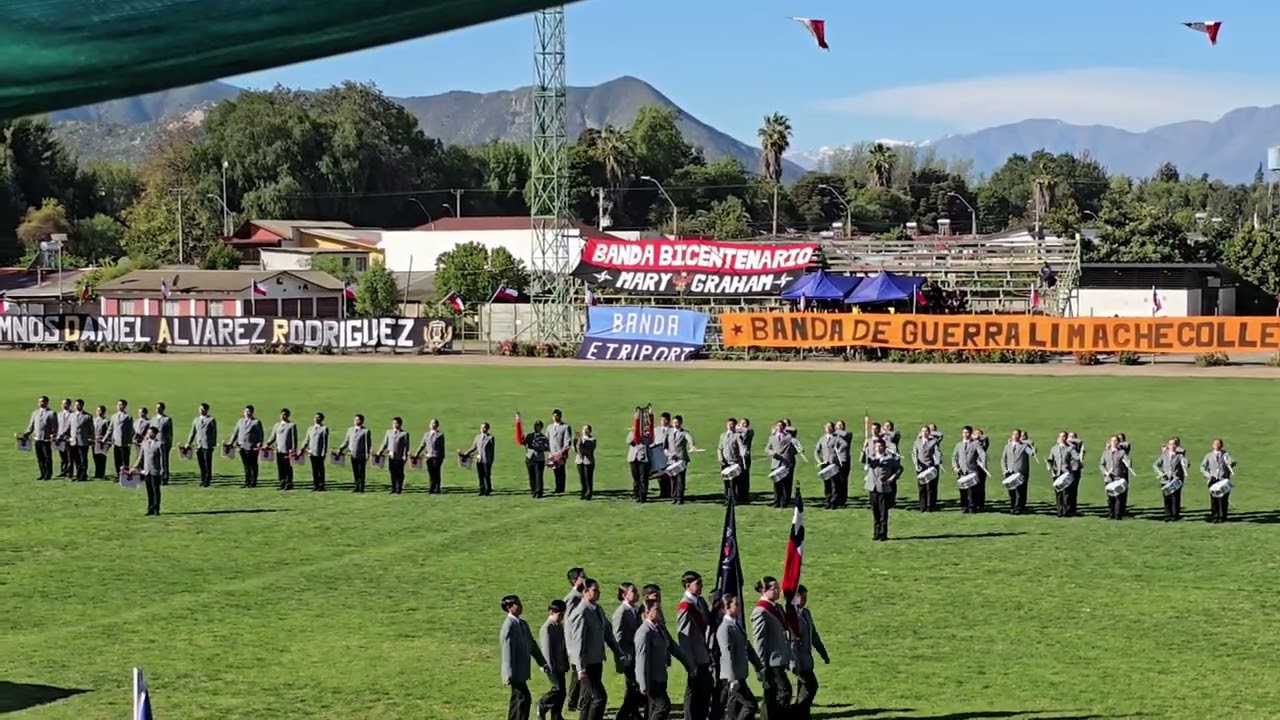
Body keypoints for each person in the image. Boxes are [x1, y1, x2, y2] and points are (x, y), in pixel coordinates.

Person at [565, 578, 627, 720]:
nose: (598, 593)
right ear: (585, 592)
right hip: (586, 663)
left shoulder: (597, 609)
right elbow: (577, 641)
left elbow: (607, 634)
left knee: (588, 699)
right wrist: (580, 668)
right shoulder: (580, 613)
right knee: (599, 697)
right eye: (595, 590)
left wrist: (618, 651)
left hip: (596, 660)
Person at [635, 599, 687, 720]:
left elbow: (671, 647)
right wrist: (643, 684)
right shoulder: (644, 632)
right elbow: (641, 659)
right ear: (647, 612)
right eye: (656, 609)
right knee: (663, 706)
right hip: (652, 679)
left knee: (654, 708)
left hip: (661, 676)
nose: (660, 612)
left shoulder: (659, 628)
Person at [499, 595, 549, 720]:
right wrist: (508, 673)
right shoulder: (508, 626)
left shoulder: (522, 624)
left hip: (522, 670)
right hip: (515, 672)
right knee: (522, 698)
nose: (521, 606)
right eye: (517, 604)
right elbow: (506, 650)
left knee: (520, 699)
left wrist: (542, 662)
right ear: (509, 607)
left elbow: (532, 645)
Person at [750, 577, 792, 720]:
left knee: (771, 695)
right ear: (764, 590)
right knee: (784, 691)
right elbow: (759, 640)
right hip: (771, 661)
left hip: (780, 658)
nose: (778, 590)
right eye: (774, 588)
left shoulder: (777, 608)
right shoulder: (761, 611)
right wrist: (760, 665)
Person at [717, 593, 764, 720]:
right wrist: (733, 679)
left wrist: (759, 666)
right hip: (733, 677)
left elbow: (747, 647)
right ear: (727, 607)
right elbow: (727, 654)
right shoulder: (724, 628)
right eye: (736, 605)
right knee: (750, 705)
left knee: (734, 711)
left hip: (739, 675)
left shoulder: (736, 625)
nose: (739, 607)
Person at [677, 571, 714, 720]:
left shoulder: (700, 602)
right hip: (695, 657)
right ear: (688, 586)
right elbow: (683, 637)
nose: (701, 587)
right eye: (698, 584)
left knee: (705, 688)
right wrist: (690, 662)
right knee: (693, 689)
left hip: (703, 653)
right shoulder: (686, 606)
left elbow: (709, 621)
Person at [790, 586, 830, 720]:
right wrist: (792, 663)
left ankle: (802, 714)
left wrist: (822, 652)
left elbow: (814, 635)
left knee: (803, 688)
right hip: (797, 660)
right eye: (802, 597)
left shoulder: (806, 613)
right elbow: (789, 642)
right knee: (811, 686)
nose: (805, 600)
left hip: (807, 659)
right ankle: (798, 712)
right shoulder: (791, 617)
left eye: (806, 597)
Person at [611, 584, 643, 720]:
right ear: (624, 595)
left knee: (634, 687)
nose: (637, 594)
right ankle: (623, 715)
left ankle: (633, 713)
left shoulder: (635, 610)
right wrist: (620, 657)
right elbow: (617, 636)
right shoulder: (621, 612)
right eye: (633, 591)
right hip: (628, 655)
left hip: (636, 654)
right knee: (633, 686)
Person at [865, 437, 901, 542]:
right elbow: (862, 459)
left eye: (880, 446)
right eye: (876, 446)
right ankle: (876, 533)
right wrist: (864, 448)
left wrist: (892, 478)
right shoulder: (871, 458)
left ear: (884, 448)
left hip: (883, 488)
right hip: (872, 487)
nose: (878, 448)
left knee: (883, 512)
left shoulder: (890, 459)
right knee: (875, 512)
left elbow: (899, 469)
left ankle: (883, 533)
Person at [539, 599, 570, 720]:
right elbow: (546, 651)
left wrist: (565, 662)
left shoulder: (558, 626)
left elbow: (563, 647)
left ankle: (556, 715)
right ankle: (543, 705)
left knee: (562, 693)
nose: (561, 617)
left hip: (560, 665)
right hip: (553, 667)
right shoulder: (547, 628)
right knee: (557, 690)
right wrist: (551, 668)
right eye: (559, 615)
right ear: (551, 612)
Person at [563, 568, 587, 713]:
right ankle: (573, 701)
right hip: (574, 642)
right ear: (574, 580)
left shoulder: (580, 595)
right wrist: (570, 644)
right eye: (582, 577)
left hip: (579, 641)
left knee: (577, 673)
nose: (586, 579)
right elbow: (568, 622)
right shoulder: (573, 597)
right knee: (577, 673)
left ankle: (575, 701)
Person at [1200, 438, 1236, 523]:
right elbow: (1202, 467)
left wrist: (1230, 462)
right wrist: (1208, 475)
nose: (1216, 445)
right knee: (1214, 499)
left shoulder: (1225, 455)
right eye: (1215, 444)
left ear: (1221, 445)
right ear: (1212, 446)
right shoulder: (1208, 455)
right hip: (1213, 480)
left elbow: (1233, 462)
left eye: (1218, 444)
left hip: (1223, 480)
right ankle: (1215, 516)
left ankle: (1222, 516)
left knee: (1223, 499)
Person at [21, 396, 57, 481]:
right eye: (39, 402)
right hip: (37, 439)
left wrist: (53, 435)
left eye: (42, 402)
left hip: (46, 439)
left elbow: (54, 427)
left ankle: (48, 474)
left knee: (47, 458)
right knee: (40, 458)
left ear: (46, 402)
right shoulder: (35, 413)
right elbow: (31, 426)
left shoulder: (51, 413)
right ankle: (42, 473)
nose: (40, 403)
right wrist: (26, 434)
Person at [1047, 432, 1082, 518]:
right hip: (1057, 473)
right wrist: (1049, 466)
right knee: (1058, 493)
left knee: (1067, 493)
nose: (1062, 438)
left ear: (1066, 438)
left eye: (1064, 437)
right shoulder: (1054, 448)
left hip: (1066, 473)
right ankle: (1060, 510)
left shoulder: (1070, 448)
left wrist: (1079, 457)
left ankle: (1066, 511)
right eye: (1061, 436)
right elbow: (1050, 459)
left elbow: (1077, 457)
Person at [952, 426, 986, 514]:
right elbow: (954, 457)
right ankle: (964, 506)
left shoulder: (975, 444)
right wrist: (955, 466)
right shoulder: (958, 445)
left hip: (972, 470)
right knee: (963, 490)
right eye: (964, 433)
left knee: (972, 490)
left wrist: (983, 462)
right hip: (961, 471)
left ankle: (972, 507)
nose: (965, 434)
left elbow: (982, 453)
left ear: (970, 433)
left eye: (967, 433)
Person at [1000, 429, 1034, 515]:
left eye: (1017, 435)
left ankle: (1018, 507)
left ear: (1020, 436)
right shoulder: (1007, 446)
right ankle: (1013, 506)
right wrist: (1005, 469)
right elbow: (1003, 459)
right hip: (1009, 472)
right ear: (1011, 436)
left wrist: (1032, 445)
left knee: (1020, 491)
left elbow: (1032, 453)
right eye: (1014, 434)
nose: (1015, 436)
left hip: (1021, 472)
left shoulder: (1024, 446)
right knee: (1011, 491)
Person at [664, 415, 696, 505]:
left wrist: (692, 445)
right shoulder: (669, 432)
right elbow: (665, 447)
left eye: (677, 422)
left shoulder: (684, 433)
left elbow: (690, 439)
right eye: (674, 422)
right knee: (673, 479)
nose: (675, 424)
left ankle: (680, 498)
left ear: (681, 423)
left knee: (680, 479)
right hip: (671, 459)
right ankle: (674, 497)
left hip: (681, 459)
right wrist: (669, 454)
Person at [228, 405, 264, 488]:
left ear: (252, 412)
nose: (247, 413)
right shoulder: (240, 421)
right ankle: (247, 481)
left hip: (252, 447)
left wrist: (260, 442)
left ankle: (253, 481)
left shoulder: (256, 422)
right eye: (245, 411)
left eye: (248, 411)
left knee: (253, 464)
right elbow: (235, 433)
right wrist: (231, 442)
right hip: (242, 446)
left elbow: (260, 434)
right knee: (246, 465)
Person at [133, 425, 165, 516]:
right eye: (148, 432)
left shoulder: (160, 444)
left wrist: (163, 470)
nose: (148, 434)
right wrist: (135, 467)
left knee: (156, 490)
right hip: (147, 471)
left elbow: (163, 459)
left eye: (150, 432)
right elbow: (141, 457)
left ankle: (156, 508)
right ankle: (150, 508)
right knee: (149, 491)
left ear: (155, 434)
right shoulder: (144, 443)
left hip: (155, 471)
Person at [1154, 437, 1188, 522]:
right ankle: (1167, 515)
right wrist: (1160, 473)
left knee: (1175, 498)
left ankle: (1175, 515)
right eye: (1170, 444)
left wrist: (1185, 461)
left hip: (1176, 480)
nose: (1172, 446)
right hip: (1165, 480)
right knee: (1167, 498)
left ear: (1177, 445)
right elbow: (1155, 465)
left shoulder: (1179, 455)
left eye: (1174, 444)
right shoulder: (1164, 455)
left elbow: (1187, 463)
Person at [184, 403, 217, 487]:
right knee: (201, 463)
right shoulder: (196, 420)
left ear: (206, 410)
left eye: (202, 409)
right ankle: (202, 479)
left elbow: (214, 433)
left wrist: (213, 444)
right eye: (200, 409)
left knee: (207, 463)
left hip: (207, 445)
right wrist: (189, 442)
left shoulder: (211, 420)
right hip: (198, 445)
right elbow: (193, 432)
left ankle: (207, 480)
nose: (201, 411)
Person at [338, 414, 373, 493]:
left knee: (361, 471)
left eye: (358, 420)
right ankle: (356, 486)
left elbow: (368, 444)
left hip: (361, 455)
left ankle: (361, 487)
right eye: (355, 420)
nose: (356, 421)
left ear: (362, 421)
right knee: (355, 471)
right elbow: (346, 441)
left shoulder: (365, 431)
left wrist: (367, 454)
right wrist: (341, 448)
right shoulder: (350, 430)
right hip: (352, 454)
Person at [766, 421, 797, 509]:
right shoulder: (772, 437)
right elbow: (767, 449)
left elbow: (794, 430)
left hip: (786, 462)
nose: (779, 427)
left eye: (781, 426)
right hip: (775, 462)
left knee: (785, 483)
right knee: (776, 483)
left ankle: (785, 501)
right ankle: (777, 500)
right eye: (778, 426)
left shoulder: (789, 437)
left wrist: (786, 429)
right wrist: (771, 452)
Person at [911, 426, 941, 512]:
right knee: (922, 487)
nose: (924, 433)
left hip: (930, 466)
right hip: (921, 467)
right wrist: (916, 464)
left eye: (926, 431)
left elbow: (936, 453)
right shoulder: (917, 442)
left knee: (930, 487)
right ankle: (922, 506)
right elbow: (914, 453)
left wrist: (937, 462)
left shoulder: (933, 442)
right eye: (923, 431)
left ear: (929, 432)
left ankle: (930, 506)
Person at [814, 422, 844, 509]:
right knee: (827, 484)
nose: (827, 428)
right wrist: (819, 460)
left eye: (829, 427)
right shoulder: (822, 438)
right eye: (826, 426)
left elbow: (844, 444)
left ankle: (834, 502)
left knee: (834, 483)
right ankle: (828, 500)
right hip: (824, 463)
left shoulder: (837, 438)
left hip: (833, 464)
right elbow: (816, 450)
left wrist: (838, 450)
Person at [267, 409, 299, 490]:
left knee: (288, 467)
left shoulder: (291, 425)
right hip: (279, 450)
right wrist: (267, 444)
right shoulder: (277, 425)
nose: (282, 416)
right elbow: (273, 437)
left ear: (288, 415)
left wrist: (293, 450)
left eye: (284, 414)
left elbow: (293, 439)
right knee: (280, 467)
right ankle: (282, 481)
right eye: (281, 414)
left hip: (287, 450)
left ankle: (289, 482)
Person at [1100, 435, 1130, 521]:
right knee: (1110, 498)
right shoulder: (1105, 453)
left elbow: (1126, 462)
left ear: (1118, 442)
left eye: (1115, 441)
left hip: (1118, 478)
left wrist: (1127, 463)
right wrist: (1105, 472)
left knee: (1118, 497)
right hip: (1109, 478)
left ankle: (1118, 515)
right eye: (1112, 441)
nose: (1114, 442)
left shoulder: (1122, 452)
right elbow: (1101, 464)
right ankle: (1111, 513)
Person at [518, 417, 549, 499]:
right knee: (531, 476)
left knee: (538, 476)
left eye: (538, 426)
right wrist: (521, 437)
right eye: (536, 426)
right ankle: (533, 490)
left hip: (539, 459)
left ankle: (539, 492)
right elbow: (524, 443)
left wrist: (539, 447)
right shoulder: (530, 435)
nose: (537, 427)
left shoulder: (543, 437)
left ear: (541, 427)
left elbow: (547, 448)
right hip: (530, 458)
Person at [378, 416, 411, 494]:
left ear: (400, 424)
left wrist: (405, 455)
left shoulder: (404, 434)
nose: (394, 425)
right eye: (393, 423)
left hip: (400, 457)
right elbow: (385, 443)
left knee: (399, 473)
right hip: (391, 456)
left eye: (396, 423)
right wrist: (380, 451)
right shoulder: (389, 432)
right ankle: (393, 488)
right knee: (392, 472)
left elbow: (406, 446)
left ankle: (399, 488)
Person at [718, 418, 747, 503]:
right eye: (729, 424)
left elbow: (741, 446)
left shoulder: (737, 436)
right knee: (726, 482)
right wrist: (720, 458)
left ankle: (734, 499)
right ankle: (727, 498)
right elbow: (720, 448)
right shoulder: (723, 435)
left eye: (732, 424)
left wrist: (743, 454)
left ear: (735, 425)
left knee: (733, 482)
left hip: (734, 463)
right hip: (724, 463)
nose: (730, 426)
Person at [463, 422, 496, 496]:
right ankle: (482, 489)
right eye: (481, 427)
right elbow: (474, 447)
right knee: (480, 475)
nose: (482, 429)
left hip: (486, 460)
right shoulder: (478, 437)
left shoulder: (490, 438)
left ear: (487, 428)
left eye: (484, 427)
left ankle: (488, 489)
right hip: (479, 459)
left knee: (487, 475)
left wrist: (490, 460)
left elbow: (491, 451)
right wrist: (467, 453)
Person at [414, 419, 445, 494]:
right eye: (431, 423)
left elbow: (441, 447)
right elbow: (422, 445)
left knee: (436, 472)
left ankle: (437, 488)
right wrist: (416, 454)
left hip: (436, 457)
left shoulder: (440, 435)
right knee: (431, 473)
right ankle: (431, 488)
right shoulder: (426, 434)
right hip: (428, 457)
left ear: (437, 425)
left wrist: (441, 457)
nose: (433, 425)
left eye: (434, 423)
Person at [547, 409, 573, 494]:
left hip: (561, 454)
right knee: (555, 471)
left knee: (561, 470)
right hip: (552, 453)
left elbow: (567, 441)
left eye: (557, 416)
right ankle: (557, 487)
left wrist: (562, 452)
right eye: (554, 416)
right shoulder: (549, 427)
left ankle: (561, 488)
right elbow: (547, 439)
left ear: (560, 416)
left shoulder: (565, 427)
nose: (555, 418)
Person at [67, 399, 93, 482]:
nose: (76, 406)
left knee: (83, 459)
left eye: (78, 405)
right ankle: (78, 474)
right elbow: (69, 427)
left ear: (82, 405)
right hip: (74, 441)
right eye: (75, 405)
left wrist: (91, 438)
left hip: (83, 441)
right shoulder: (71, 415)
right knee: (76, 459)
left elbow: (91, 429)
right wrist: (68, 437)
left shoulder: (87, 416)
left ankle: (83, 475)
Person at [303, 412, 329, 491]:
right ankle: (315, 485)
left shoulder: (324, 428)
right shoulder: (310, 428)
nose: (316, 419)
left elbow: (325, 442)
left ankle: (321, 485)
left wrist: (323, 453)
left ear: (322, 419)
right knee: (314, 469)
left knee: (320, 469)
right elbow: (307, 439)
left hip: (319, 452)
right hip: (311, 452)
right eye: (315, 417)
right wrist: (303, 448)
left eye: (318, 417)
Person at [108, 399, 134, 475]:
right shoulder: (114, 416)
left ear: (125, 406)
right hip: (116, 442)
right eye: (118, 404)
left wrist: (130, 440)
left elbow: (130, 430)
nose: (119, 406)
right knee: (117, 459)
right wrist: (105, 438)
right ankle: (118, 474)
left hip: (125, 442)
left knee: (125, 460)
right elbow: (110, 428)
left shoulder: (128, 416)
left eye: (121, 405)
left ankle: (125, 474)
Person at [626, 418, 649, 503]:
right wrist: (634, 432)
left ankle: (642, 496)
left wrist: (643, 434)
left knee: (643, 477)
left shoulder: (647, 434)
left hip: (643, 458)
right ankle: (636, 495)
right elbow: (629, 441)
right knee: (635, 477)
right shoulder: (632, 433)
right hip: (633, 457)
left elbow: (648, 442)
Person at [651, 412, 673, 499]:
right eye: (662, 420)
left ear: (668, 420)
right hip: (658, 455)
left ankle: (670, 492)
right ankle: (663, 492)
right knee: (660, 475)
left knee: (668, 474)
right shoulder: (656, 430)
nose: (663, 422)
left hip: (669, 455)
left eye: (665, 420)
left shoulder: (672, 430)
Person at [152, 402, 174, 485]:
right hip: (154, 443)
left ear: (163, 409)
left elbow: (170, 432)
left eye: (159, 408)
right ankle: (156, 476)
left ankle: (164, 478)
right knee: (155, 461)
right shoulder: (153, 419)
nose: (157, 409)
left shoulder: (167, 419)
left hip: (164, 442)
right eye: (156, 408)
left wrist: (169, 443)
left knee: (164, 461)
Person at [574, 425, 597, 500]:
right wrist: (575, 443)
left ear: (590, 431)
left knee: (588, 478)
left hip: (588, 461)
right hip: (579, 461)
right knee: (582, 478)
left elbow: (588, 451)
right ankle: (583, 492)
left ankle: (589, 493)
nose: (585, 431)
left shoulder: (592, 440)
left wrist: (580, 444)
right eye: (584, 429)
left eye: (587, 429)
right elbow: (576, 450)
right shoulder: (579, 439)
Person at [737, 418, 756, 504]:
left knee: (744, 476)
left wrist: (737, 427)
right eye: (742, 423)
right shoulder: (737, 432)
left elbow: (745, 431)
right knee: (738, 477)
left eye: (745, 423)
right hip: (738, 456)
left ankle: (744, 495)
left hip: (745, 457)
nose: (743, 425)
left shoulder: (750, 431)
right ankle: (738, 494)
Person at [91, 405, 110, 480]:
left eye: (100, 411)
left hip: (102, 442)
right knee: (95, 457)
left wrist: (104, 439)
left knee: (102, 458)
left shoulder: (106, 421)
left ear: (104, 412)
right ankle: (97, 473)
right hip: (94, 442)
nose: (99, 412)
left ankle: (101, 473)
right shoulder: (94, 420)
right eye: (97, 410)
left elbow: (109, 431)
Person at [55, 398, 72, 478]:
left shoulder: (73, 414)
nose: (63, 405)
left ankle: (69, 472)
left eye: (65, 403)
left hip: (68, 438)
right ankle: (63, 471)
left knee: (70, 456)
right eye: (62, 404)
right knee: (62, 456)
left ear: (69, 404)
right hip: (60, 438)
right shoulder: (58, 414)